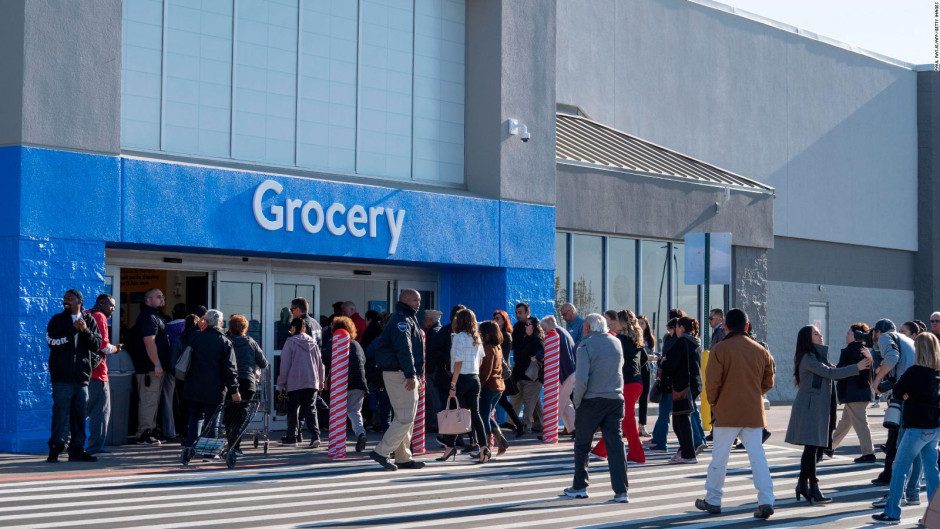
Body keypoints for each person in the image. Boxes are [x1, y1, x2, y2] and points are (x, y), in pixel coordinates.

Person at [695, 308, 776, 519]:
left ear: (726, 326)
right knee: (758, 457)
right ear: (747, 326)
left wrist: (715, 403)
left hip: (726, 412)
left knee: (719, 459)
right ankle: (766, 500)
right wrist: (752, 394)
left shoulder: (720, 350)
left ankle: (713, 499)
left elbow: (711, 385)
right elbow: (768, 381)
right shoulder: (761, 350)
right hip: (753, 412)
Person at [785, 325, 870, 504]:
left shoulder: (816, 356)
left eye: (819, 332)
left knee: (812, 448)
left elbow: (831, 372)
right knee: (812, 448)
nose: (820, 335)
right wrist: (857, 367)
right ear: (808, 339)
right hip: (809, 408)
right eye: (816, 334)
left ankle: (802, 484)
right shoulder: (808, 358)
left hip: (816, 407)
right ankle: (813, 486)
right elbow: (832, 373)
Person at [872, 332, 940, 524]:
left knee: (899, 468)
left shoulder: (914, 372)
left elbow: (899, 391)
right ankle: (936, 517)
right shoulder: (937, 373)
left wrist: (906, 395)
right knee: (932, 471)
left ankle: (892, 512)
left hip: (915, 427)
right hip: (935, 427)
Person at [563, 313, 628, 503]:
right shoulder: (616, 343)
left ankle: (580, 486)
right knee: (615, 445)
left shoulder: (585, 345)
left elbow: (581, 379)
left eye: (584, 325)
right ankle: (621, 491)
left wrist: (577, 400)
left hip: (592, 400)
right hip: (615, 398)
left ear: (589, 328)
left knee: (582, 445)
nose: (583, 329)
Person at [369, 289, 426, 471]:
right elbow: (404, 349)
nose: (418, 303)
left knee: (406, 416)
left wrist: (416, 375)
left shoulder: (408, 317)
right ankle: (382, 452)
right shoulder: (402, 319)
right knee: (405, 417)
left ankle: (403, 457)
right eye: (416, 300)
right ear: (405, 300)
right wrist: (411, 375)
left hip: (405, 372)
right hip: (399, 373)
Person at [46, 289, 102, 462]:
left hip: (81, 377)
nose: (66, 301)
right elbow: (52, 342)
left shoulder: (89, 320)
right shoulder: (58, 320)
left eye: (70, 298)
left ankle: (77, 449)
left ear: (80, 301)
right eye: (65, 298)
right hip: (62, 378)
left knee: (79, 415)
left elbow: (96, 345)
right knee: (60, 414)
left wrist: (84, 330)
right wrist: (73, 331)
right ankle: (55, 448)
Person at [591, 310, 645, 463]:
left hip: (627, 382)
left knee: (625, 419)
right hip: (635, 381)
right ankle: (601, 450)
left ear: (621, 322)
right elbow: (644, 361)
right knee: (619, 418)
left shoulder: (619, 339)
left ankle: (637, 454)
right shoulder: (635, 339)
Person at [182, 310, 241, 449]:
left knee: (195, 417)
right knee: (212, 420)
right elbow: (230, 369)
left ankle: (189, 448)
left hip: (193, 385)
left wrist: (199, 324)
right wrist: (234, 390)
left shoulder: (195, 337)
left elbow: (183, 338)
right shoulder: (225, 342)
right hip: (215, 388)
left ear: (205, 321)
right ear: (220, 323)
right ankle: (209, 451)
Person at [870, 319, 918, 486]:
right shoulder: (908, 340)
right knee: (910, 442)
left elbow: (892, 357)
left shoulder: (884, 337)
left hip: (903, 394)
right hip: (914, 391)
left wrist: (877, 380)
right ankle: (906, 484)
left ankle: (896, 483)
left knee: (898, 439)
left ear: (878, 332)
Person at [438, 309, 488, 463]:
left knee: (454, 411)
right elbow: (480, 361)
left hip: (461, 378)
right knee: (476, 414)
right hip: (475, 377)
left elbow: (458, 362)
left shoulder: (458, 337)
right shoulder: (477, 338)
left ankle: (449, 447)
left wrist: (453, 384)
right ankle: (483, 447)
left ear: (458, 321)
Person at [830, 322, 876, 464]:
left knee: (861, 423)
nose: (846, 335)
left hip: (853, 392)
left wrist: (834, 369)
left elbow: (841, 372)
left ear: (856, 336)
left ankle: (869, 453)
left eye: (848, 333)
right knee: (846, 421)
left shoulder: (849, 350)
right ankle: (829, 446)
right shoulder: (865, 350)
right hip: (863, 391)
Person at [277, 317, 325, 448]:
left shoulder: (290, 342)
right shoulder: (313, 342)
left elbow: (285, 364)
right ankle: (315, 436)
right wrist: (321, 381)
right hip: (312, 381)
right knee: (311, 409)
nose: (290, 330)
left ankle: (292, 436)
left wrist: (281, 383)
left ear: (294, 328)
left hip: (295, 381)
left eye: (291, 327)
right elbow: (320, 364)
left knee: (293, 409)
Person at [661, 316, 703, 464]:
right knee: (681, 419)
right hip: (694, 384)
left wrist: (664, 361)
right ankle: (685, 451)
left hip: (682, 386)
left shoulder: (682, 342)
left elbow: (671, 364)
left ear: (682, 328)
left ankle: (688, 454)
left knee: (681, 420)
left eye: (677, 327)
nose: (676, 330)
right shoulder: (695, 342)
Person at [133, 288, 170, 446]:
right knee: (148, 400)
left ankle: (151, 430)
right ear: (148, 300)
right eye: (158, 297)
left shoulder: (155, 316)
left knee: (153, 400)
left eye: (162, 297)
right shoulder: (148, 317)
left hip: (155, 367)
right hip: (149, 368)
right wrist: (157, 364)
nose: (162, 299)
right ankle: (144, 433)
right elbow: (149, 342)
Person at [84, 294, 120, 456]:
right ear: (101, 303)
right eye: (111, 305)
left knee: (82, 409)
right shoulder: (100, 317)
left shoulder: (86, 314)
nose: (113, 309)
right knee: (101, 411)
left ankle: (65, 439)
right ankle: (95, 447)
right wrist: (117, 348)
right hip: (98, 373)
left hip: (84, 372)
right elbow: (103, 346)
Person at [227, 314, 268, 454]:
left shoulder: (227, 341)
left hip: (230, 382)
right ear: (245, 328)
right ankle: (236, 446)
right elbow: (263, 363)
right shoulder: (251, 342)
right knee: (242, 414)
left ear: (230, 327)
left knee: (229, 414)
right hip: (248, 382)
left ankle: (231, 443)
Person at [428, 305, 466, 444]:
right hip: (446, 375)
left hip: (462, 375)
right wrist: (448, 361)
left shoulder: (467, 333)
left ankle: (459, 436)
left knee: (461, 406)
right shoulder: (444, 332)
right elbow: (435, 351)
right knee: (447, 406)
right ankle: (447, 437)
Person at [332, 316, 369, 452]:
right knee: (354, 411)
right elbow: (363, 361)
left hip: (344, 383)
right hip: (360, 383)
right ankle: (361, 433)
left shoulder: (338, 343)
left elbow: (329, 359)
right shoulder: (357, 344)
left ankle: (337, 442)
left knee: (338, 411)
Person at [644, 318, 678, 452]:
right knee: (665, 413)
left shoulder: (672, 342)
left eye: (669, 328)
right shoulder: (677, 341)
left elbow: (666, 362)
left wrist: (661, 361)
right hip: (671, 383)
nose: (668, 331)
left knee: (664, 414)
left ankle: (660, 442)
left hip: (668, 383)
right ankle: (657, 440)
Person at [540, 315, 577, 435]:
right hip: (571, 371)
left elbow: (549, 351)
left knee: (558, 401)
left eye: (543, 328)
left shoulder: (554, 334)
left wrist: (537, 356)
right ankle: (574, 428)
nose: (544, 331)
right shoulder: (563, 332)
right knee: (566, 402)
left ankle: (550, 431)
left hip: (564, 373)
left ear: (546, 326)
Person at [478, 320, 508, 456]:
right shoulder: (498, 347)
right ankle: (501, 440)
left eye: (482, 332)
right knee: (487, 415)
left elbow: (486, 371)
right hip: (498, 386)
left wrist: (479, 386)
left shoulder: (488, 348)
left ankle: (486, 448)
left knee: (483, 418)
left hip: (489, 387)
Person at [512, 316, 546, 434]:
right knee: (535, 403)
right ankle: (541, 424)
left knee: (528, 403)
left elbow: (545, 353)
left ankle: (525, 426)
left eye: (528, 324)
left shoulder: (537, 340)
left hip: (532, 378)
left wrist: (536, 358)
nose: (525, 326)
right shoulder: (527, 338)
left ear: (535, 327)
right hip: (524, 376)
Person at [493, 309, 524, 436]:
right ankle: (518, 424)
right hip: (496, 372)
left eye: (498, 318)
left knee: (501, 401)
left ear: (504, 321)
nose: (495, 320)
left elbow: (503, 356)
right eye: (494, 318)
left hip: (501, 373)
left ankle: (519, 424)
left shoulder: (505, 335)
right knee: (502, 402)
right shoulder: (495, 334)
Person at [637, 315, 656, 437]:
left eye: (642, 323)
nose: (640, 325)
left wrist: (650, 358)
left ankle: (642, 425)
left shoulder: (649, 339)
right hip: (634, 369)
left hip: (646, 369)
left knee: (644, 398)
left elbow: (651, 353)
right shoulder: (633, 337)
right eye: (638, 323)